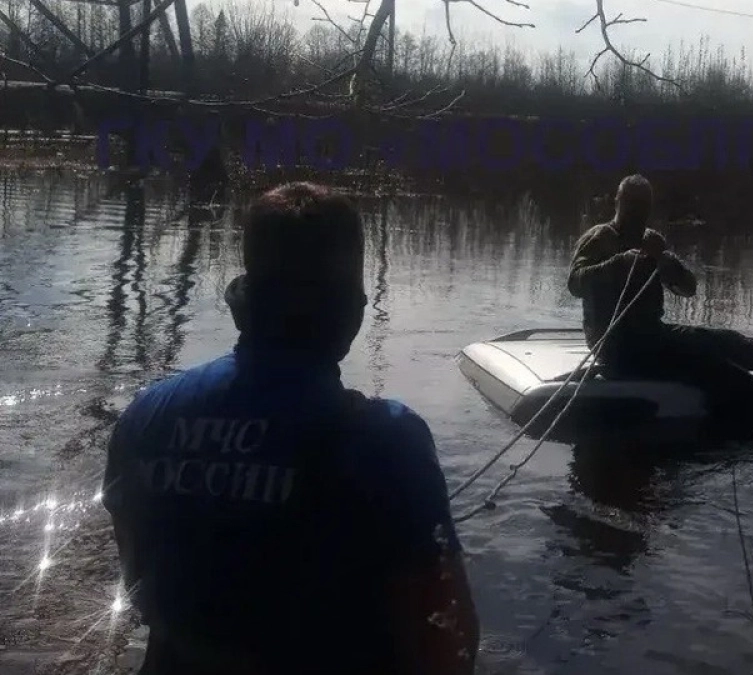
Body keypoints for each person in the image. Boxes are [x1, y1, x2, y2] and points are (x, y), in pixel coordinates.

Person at [102, 182, 479, 675]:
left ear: (246, 293)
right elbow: (446, 639)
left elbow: (139, 581)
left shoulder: (146, 414)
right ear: (350, 308)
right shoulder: (389, 440)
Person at [567, 174, 753, 421]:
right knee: (713, 366)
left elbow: (688, 288)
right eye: (632, 205)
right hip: (618, 346)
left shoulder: (650, 241)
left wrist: (668, 266)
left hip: (653, 337)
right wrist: (618, 264)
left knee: (730, 341)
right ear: (618, 202)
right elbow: (576, 283)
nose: (637, 213)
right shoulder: (599, 238)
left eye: (643, 207)